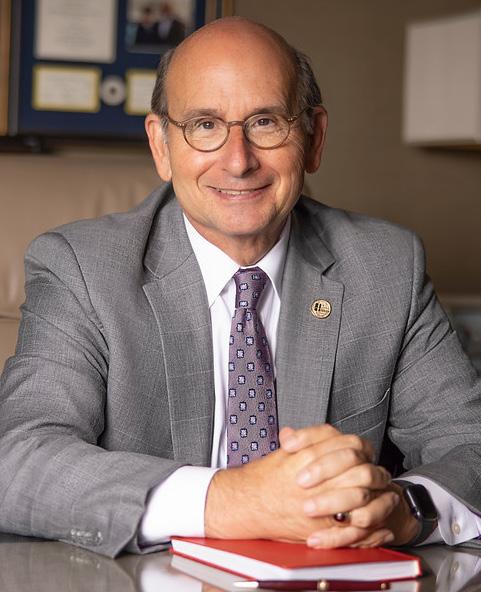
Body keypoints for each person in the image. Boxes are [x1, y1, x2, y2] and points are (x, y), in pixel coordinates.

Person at [0, 17, 480, 559]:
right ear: (161, 145)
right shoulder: (83, 269)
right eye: (205, 124)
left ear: (314, 138)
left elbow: (470, 443)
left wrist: (407, 509)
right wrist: (233, 502)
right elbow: (16, 460)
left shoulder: (386, 267)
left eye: (266, 122)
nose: (238, 160)